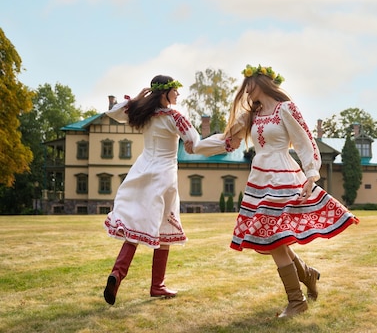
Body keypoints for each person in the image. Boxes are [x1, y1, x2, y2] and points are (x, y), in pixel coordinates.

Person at [186, 64, 359, 318]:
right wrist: (197, 147)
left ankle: (297, 301)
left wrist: (311, 174)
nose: (245, 91)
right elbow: (228, 141)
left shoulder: (285, 109)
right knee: (274, 238)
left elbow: (305, 141)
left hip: (283, 176)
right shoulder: (251, 115)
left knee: (274, 239)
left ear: (260, 83)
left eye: (248, 85)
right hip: (260, 177)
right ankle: (307, 275)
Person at [103, 75, 241, 305]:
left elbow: (114, 113)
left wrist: (135, 100)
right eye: (175, 90)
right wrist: (225, 143)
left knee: (135, 226)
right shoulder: (175, 117)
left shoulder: (142, 114)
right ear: (164, 93)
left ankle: (118, 274)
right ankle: (157, 285)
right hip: (163, 175)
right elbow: (196, 145)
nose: (178, 94)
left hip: (141, 171)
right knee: (165, 225)